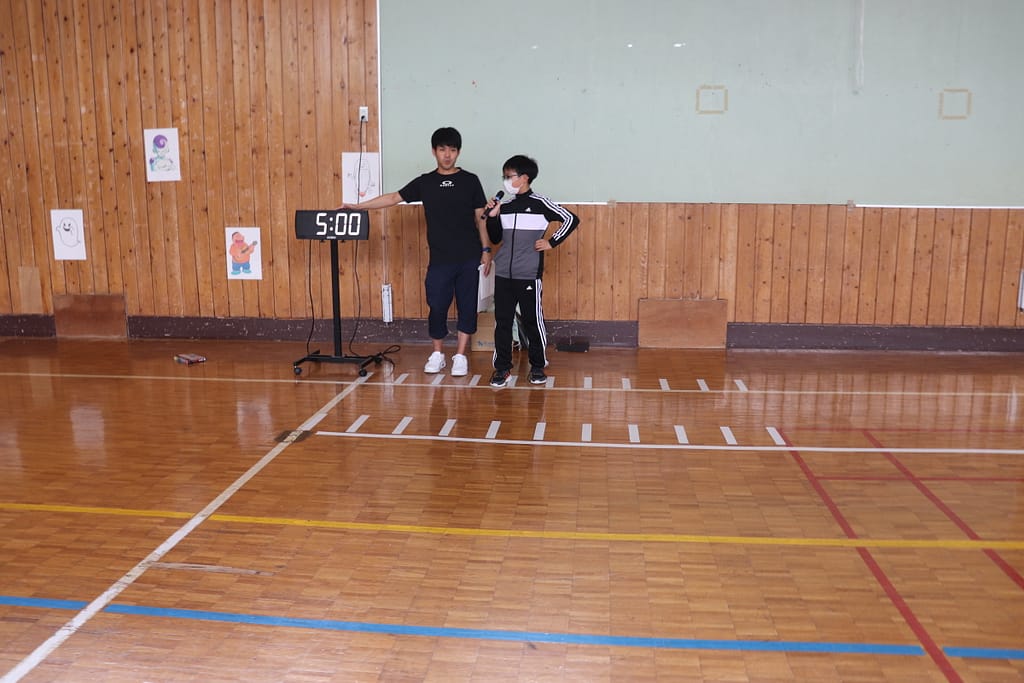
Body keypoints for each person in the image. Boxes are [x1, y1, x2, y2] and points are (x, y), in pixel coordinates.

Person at [344, 127, 492, 376]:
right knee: (437, 305)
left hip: (469, 256)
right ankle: (437, 354)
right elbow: (393, 197)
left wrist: (486, 249)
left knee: (468, 307)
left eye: (452, 150)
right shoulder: (426, 182)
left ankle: (460, 356)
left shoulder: (470, 180)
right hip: (440, 259)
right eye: (442, 149)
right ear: (434, 151)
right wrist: (358, 207)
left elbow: (481, 218)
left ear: (458, 152)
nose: (447, 155)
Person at [482, 155, 579, 388]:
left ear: (524, 178)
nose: (506, 180)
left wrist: (551, 242)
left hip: (528, 274)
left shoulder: (540, 203)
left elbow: (570, 219)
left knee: (532, 321)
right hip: (504, 274)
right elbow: (495, 238)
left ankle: (537, 366)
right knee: (502, 322)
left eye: (509, 176)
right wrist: (493, 217)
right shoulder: (506, 207)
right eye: (504, 176)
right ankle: (502, 368)